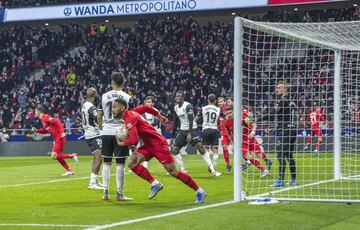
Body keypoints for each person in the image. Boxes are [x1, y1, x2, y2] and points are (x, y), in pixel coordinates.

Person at [112, 98, 207, 203]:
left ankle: (199, 191)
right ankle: (155, 184)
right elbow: (145, 107)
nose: (113, 109)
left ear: (122, 108)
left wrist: (121, 143)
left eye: (115, 107)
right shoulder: (131, 113)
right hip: (148, 145)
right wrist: (159, 116)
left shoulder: (130, 117)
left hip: (159, 144)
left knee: (173, 172)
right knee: (132, 163)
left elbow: (133, 140)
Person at [97, 72, 132, 201]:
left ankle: (105, 193)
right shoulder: (127, 97)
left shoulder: (104, 96)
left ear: (112, 82)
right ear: (123, 83)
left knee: (106, 162)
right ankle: (119, 193)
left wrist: (103, 127)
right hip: (121, 132)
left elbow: (99, 116)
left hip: (106, 132)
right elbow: (131, 116)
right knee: (120, 163)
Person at [171, 91, 221, 176]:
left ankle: (212, 169)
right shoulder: (175, 108)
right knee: (175, 150)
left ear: (183, 97)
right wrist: (172, 137)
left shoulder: (188, 106)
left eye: (180, 96)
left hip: (192, 129)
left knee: (200, 147)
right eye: (176, 96)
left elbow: (191, 120)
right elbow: (175, 122)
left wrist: (190, 133)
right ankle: (183, 170)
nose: (177, 97)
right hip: (182, 130)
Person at [260, 81, 297, 187]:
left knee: (280, 155)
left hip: (285, 130)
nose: (277, 90)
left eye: (280, 88)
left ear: (285, 89)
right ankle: (294, 179)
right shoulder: (291, 101)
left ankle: (280, 180)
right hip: (293, 130)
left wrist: (257, 118)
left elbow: (272, 113)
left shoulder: (281, 101)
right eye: (277, 88)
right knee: (289, 155)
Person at [224, 99, 270, 177]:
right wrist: (232, 143)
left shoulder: (243, 117)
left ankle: (268, 160)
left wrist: (252, 132)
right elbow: (228, 134)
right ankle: (264, 170)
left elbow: (254, 124)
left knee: (259, 156)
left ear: (234, 111)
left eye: (230, 112)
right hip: (241, 142)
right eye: (227, 113)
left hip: (250, 138)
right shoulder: (227, 122)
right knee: (249, 157)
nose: (229, 114)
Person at [34, 105, 79, 176]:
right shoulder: (43, 120)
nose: (35, 112)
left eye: (35, 111)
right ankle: (69, 171)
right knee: (58, 157)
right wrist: (37, 130)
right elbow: (46, 130)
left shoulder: (46, 117)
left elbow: (57, 121)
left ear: (39, 111)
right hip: (57, 138)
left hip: (59, 137)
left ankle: (72, 156)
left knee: (53, 156)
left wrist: (61, 133)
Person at [81, 87, 103, 189]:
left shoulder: (84, 105)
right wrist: (103, 127)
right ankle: (92, 182)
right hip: (94, 134)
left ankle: (95, 180)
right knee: (99, 157)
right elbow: (97, 118)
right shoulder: (92, 107)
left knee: (96, 157)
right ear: (94, 95)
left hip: (88, 134)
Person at [196, 94, 221, 169]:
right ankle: (214, 166)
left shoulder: (203, 108)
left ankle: (210, 166)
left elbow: (197, 118)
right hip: (214, 130)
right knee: (215, 150)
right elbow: (224, 118)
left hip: (206, 130)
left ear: (208, 100)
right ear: (215, 101)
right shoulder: (218, 109)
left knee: (206, 149)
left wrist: (192, 124)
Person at [218, 97, 232, 172]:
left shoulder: (229, 109)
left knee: (237, 149)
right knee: (224, 147)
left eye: (221, 101)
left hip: (231, 131)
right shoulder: (218, 111)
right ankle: (228, 164)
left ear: (225, 102)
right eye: (218, 102)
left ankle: (246, 161)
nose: (220, 103)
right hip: (223, 132)